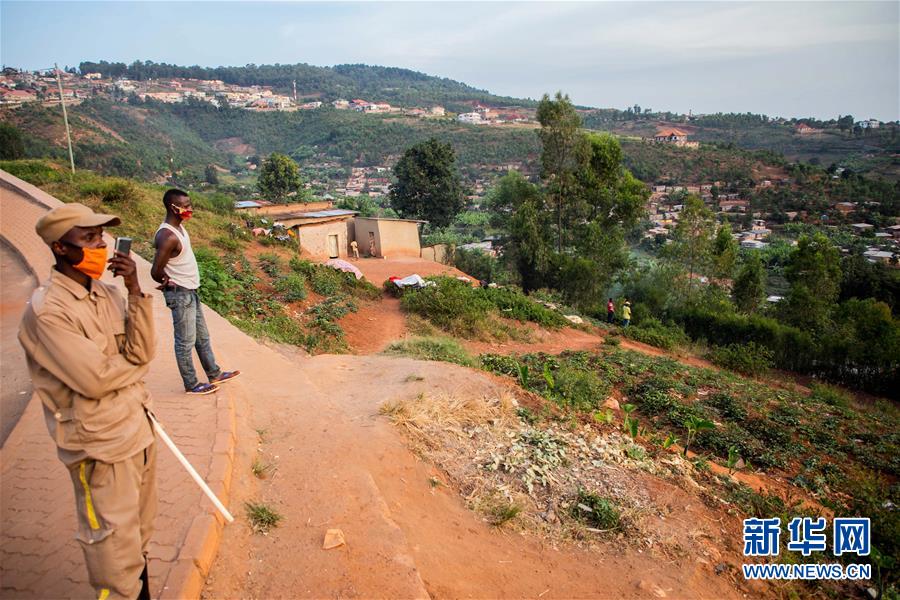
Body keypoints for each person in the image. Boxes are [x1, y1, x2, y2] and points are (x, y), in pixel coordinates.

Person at [18, 203, 157, 600]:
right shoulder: (49, 312)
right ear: (61, 248)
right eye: (89, 238)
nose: (102, 245)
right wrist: (134, 366)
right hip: (100, 447)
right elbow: (95, 380)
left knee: (140, 536)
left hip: (138, 431)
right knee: (114, 557)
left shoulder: (110, 294)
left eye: (102, 236)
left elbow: (143, 351)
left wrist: (134, 290)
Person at [151, 189, 239, 395]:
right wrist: (166, 280)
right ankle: (191, 384)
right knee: (185, 341)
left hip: (190, 291)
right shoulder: (167, 236)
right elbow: (155, 270)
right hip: (180, 294)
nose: (190, 209)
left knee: (202, 337)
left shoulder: (179, 228)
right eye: (186, 205)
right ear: (173, 207)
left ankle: (214, 373)